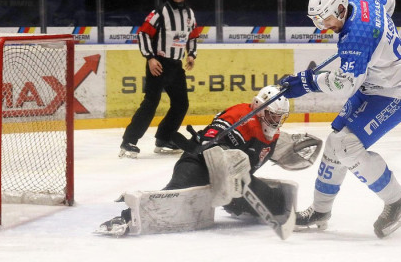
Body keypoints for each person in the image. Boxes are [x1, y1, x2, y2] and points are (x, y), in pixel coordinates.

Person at [280, 0, 401, 238]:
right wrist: (382, 31)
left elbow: (345, 84)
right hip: (375, 82)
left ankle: (398, 201)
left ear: (341, 8)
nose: (323, 28)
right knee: (335, 143)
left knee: (346, 146)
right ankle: (321, 212)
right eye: (318, 22)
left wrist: (307, 82)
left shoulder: (356, 38)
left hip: (396, 90)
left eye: (326, 20)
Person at [98, 85, 323, 237]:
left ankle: (235, 204)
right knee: (175, 196)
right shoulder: (238, 116)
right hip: (199, 163)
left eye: (280, 117)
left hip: (231, 182)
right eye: (273, 116)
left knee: (275, 203)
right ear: (258, 109)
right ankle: (126, 218)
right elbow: (208, 140)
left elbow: (263, 150)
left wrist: (286, 148)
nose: (277, 121)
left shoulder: (272, 133)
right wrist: (228, 154)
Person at [120, 0, 202, 158]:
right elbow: (143, 34)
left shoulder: (189, 13)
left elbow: (193, 36)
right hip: (159, 64)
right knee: (151, 103)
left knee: (181, 103)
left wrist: (191, 55)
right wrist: (150, 57)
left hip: (176, 65)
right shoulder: (160, 12)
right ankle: (128, 142)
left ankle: (163, 138)